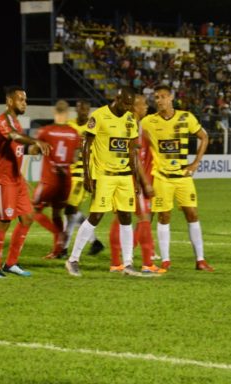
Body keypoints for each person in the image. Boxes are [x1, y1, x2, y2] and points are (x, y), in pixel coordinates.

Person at [65, 86, 151, 277]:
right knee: (96, 216)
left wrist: (136, 179)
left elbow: (132, 151)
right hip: (104, 175)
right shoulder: (99, 116)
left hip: (124, 176)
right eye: (126, 103)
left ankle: (128, 264)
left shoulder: (130, 119)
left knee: (126, 217)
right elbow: (86, 146)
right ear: (117, 99)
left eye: (131, 104)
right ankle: (72, 260)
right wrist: (88, 175)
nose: (128, 107)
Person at [141, 85, 214, 272]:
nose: (159, 100)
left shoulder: (186, 117)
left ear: (171, 97)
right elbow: (133, 136)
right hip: (162, 177)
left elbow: (204, 137)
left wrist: (195, 163)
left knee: (192, 214)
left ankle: (200, 260)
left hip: (183, 177)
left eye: (163, 96)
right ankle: (165, 260)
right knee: (164, 216)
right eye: (156, 97)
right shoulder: (148, 121)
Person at [0, 85, 51, 278]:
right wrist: (35, 141)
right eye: (21, 99)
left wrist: (33, 149)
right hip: (2, 180)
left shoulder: (16, 122)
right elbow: (13, 136)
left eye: (25, 100)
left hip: (16, 179)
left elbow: (17, 145)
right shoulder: (3, 120)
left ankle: (11, 263)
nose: (25, 103)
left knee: (27, 217)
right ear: (10, 101)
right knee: (3, 221)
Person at [109, 94, 163, 274]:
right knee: (144, 218)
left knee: (121, 219)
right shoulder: (133, 125)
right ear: (134, 107)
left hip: (120, 177)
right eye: (143, 104)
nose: (146, 107)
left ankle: (116, 262)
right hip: (133, 181)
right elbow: (134, 157)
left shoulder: (126, 124)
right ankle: (147, 263)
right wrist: (146, 183)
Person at [30, 100, 80, 258]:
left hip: (49, 180)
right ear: (68, 114)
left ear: (54, 112)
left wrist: (36, 146)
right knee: (57, 213)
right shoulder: (74, 133)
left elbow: (33, 151)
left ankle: (58, 234)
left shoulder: (45, 131)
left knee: (33, 210)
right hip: (66, 181)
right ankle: (57, 251)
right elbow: (75, 158)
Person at [61, 99, 104, 258]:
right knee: (71, 211)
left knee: (70, 209)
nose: (83, 111)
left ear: (89, 110)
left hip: (83, 174)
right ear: (77, 109)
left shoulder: (93, 126)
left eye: (85, 108)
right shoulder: (70, 125)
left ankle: (63, 249)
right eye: (80, 108)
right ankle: (94, 242)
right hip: (69, 172)